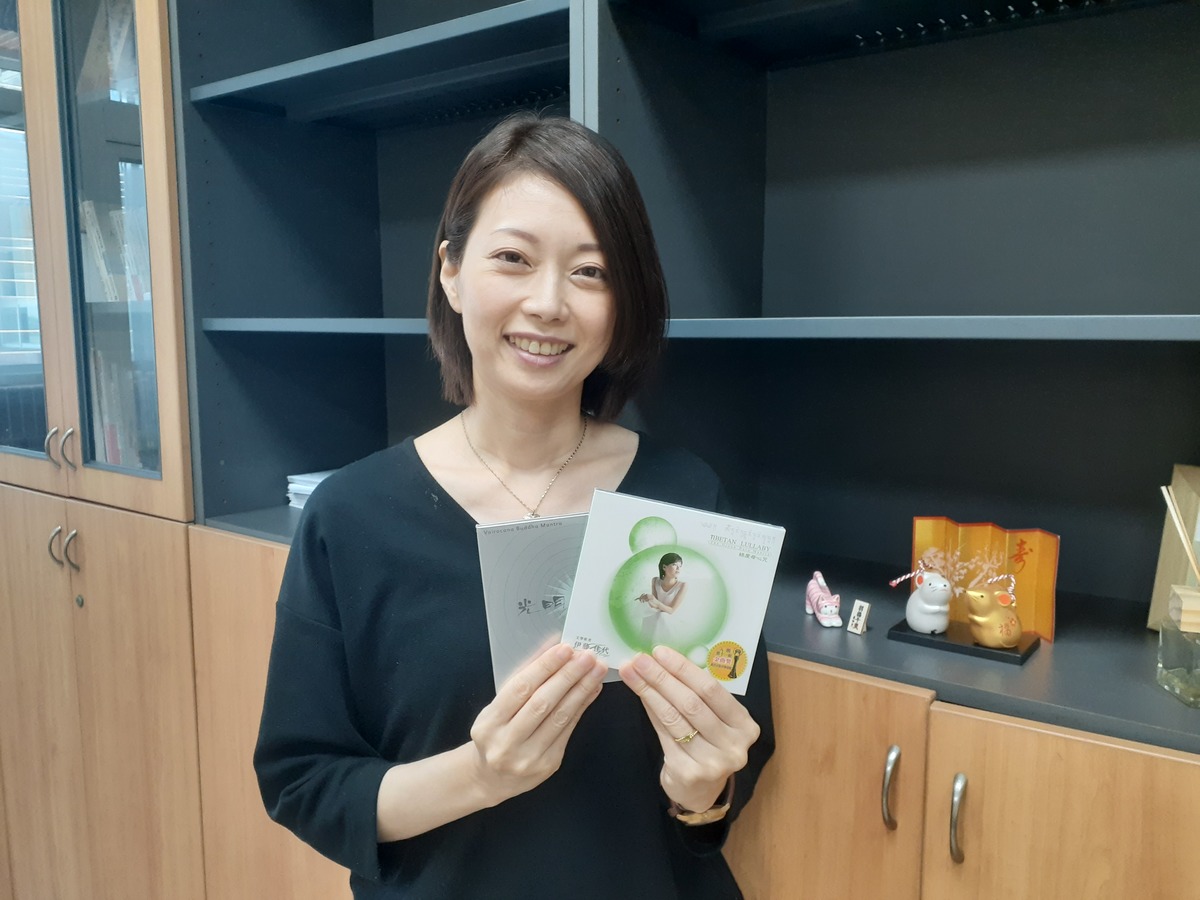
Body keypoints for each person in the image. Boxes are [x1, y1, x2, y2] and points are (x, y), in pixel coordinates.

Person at [254, 112, 774, 899]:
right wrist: (480, 774)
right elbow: (303, 781)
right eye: (513, 259)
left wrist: (703, 794)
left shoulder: (684, 498)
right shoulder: (350, 517)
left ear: (622, 302)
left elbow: (735, 755)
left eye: (591, 272)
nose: (548, 302)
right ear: (451, 272)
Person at [638, 552, 688, 645]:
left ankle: (659, 647)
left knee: (661, 616)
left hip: (671, 617)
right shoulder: (655, 580)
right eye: (674, 565)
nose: (678, 568)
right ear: (664, 567)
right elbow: (655, 607)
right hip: (658, 614)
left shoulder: (682, 585)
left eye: (680, 566)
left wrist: (654, 600)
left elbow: (671, 610)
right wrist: (648, 599)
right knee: (648, 615)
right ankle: (645, 646)